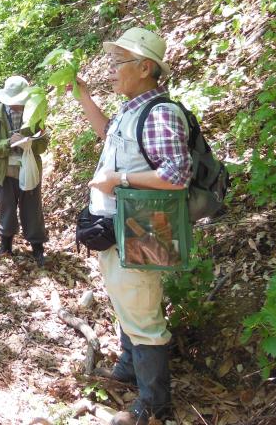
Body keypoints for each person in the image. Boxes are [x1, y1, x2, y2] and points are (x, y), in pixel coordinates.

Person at [72, 27, 192, 425]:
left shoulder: (160, 113)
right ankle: (129, 366)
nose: (111, 70)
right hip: (124, 221)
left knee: (142, 311)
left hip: (146, 223)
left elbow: (176, 176)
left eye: (118, 62)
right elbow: (110, 135)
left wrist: (117, 182)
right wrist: (84, 98)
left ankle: (155, 403)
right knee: (126, 297)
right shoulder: (133, 109)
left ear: (144, 67)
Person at [0, 76, 48, 266]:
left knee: (33, 211)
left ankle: (38, 248)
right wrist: (7, 143)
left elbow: (43, 144)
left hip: (29, 171)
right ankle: (6, 246)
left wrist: (29, 145)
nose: (17, 105)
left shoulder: (35, 115)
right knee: (6, 210)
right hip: (4, 173)